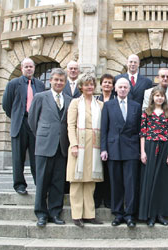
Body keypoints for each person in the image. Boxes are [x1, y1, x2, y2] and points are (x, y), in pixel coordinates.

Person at [28, 68, 71, 227]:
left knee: (57, 182)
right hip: (45, 145)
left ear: (65, 83)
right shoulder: (40, 97)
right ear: (50, 81)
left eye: (62, 80)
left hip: (62, 147)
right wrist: (43, 135)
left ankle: (55, 212)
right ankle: (41, 214)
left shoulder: (69, 99)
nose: (59, 82)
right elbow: (32, 121)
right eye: (56, 80)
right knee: (42, 180)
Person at [100, 78, 142, 228]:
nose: (123, 89)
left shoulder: (136, 106)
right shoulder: (108, 106)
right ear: (115, 89)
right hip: (114, 149)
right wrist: (103, 148)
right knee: (116, 183)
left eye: (125, 87)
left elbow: (139, 130)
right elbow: (103, 129)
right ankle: (118, 213)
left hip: (131, 149)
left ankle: (130, 214)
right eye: (120, 87)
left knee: (130, 183)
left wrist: (140, 150)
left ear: (129, 89)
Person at [2, 57, 45, 195]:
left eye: (31, 66)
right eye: (26, 66)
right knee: (18, 156)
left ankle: (39, 183)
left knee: (36, 156)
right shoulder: (13, 84)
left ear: (34, 68)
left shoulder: (40, 85)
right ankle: (20, 185)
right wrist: (16, 117)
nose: (29, 69)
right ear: (22, 69)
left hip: (35, 125)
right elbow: (7, 105)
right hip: (20, 123)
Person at [66, 73, 104, 227]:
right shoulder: (75, 103)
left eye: (91, 84)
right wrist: (73, 144)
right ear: (81, 87)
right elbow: (70, 125)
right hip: (78, 145)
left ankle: (89, 214)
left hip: (94, 145)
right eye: (86, 84)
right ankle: (76, 215)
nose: (89, 87)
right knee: (76, 180)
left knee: (90, 181)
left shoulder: (100, 104)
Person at [139, 86, 168, 227]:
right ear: (152, 97)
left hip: (165, 147)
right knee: (150, 180)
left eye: (162, 96)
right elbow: (142, 133)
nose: (159, 98)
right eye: (157, 95)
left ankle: (161, 214)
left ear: (164, 98)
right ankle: (150, 215)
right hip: (150, 146)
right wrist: (143, 152)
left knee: (162, 182)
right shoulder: (146, 113)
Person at [94, 74, 115, 209]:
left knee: (108, 172)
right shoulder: (95, 100)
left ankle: (108, 198)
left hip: (111, 139)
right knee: (97, 169)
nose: (107, 85)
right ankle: (97, 198)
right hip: (97, 139)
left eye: (109, 83)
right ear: (101, 85)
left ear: (113, 86)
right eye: (105, 82)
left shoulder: (116, 100)